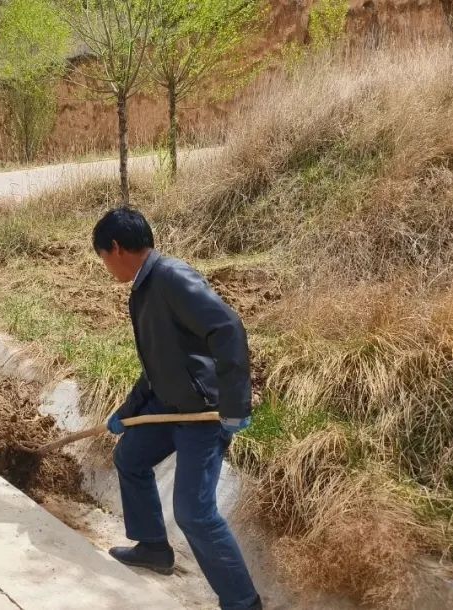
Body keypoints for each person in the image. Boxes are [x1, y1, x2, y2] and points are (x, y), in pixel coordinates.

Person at [93, 207, 262, 610]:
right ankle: (154, 547)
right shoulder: (143, 288)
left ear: (116, 248)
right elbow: (159, 364)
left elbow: (227, 328)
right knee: (130, 457)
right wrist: (129, 410)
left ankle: (243, 602)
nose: (105, 266)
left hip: (202, 415)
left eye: (102, 257)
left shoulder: (171, 277)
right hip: (169, 407)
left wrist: (234, 404)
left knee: (194, 512)